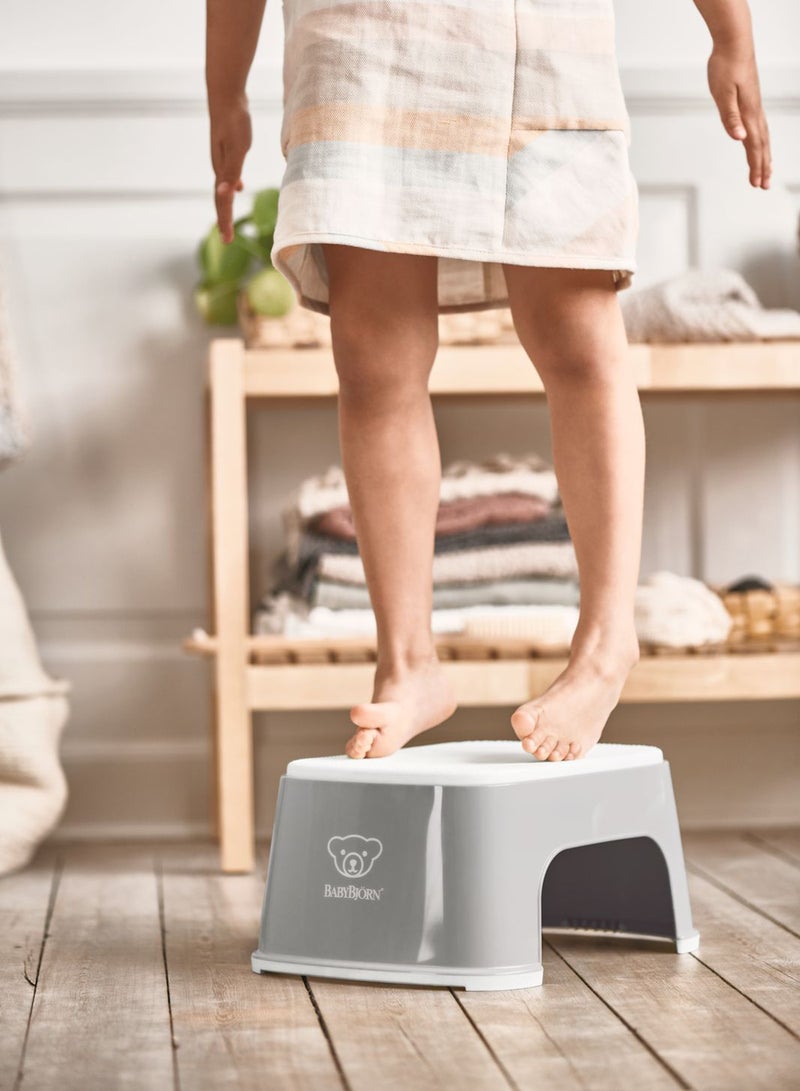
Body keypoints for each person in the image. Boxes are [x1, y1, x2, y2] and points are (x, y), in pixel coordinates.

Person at [205, 0, 771, 761]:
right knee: (374, 367)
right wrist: (227, 94)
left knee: (577, 345)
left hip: (538, 40)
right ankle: (408, 663)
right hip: (358, 44)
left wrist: (730, 34)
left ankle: (606, 642)